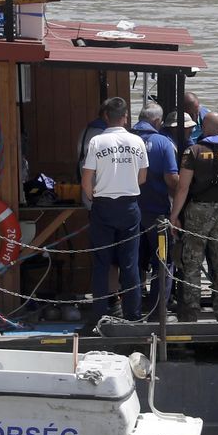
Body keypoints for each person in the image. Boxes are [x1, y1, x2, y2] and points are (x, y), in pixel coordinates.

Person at [170, 112, 218, 323]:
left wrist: (174, 216)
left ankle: (191, 314)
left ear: (203, 127)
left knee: (192, 264)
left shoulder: (193, 152)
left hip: (197, 211)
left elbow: (182, 187)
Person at [81, 97, 149, 325]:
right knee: (130, 263)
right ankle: (133, 315)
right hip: (129, 205)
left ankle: (99, 315)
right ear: (126, 117)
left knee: (101, 263)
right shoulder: (137, 141)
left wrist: (95, 198)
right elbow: (142, 178)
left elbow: (86, 179)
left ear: (105, 117)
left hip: (103, 205)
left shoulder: (96, 142)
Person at [132, 102, 179, 312]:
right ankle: (158, 310)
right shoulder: (163, 142)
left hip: (130, 211)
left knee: (131, 259)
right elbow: (171, 178)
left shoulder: (125, 140)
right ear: (158, 121)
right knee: (163, 261)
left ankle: (131, 306)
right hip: (156, 212)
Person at [76, 108, 107, 207]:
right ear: (107, 116)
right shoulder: (102, 135)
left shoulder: (85, 131)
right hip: (100, 196)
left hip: (88, 193)